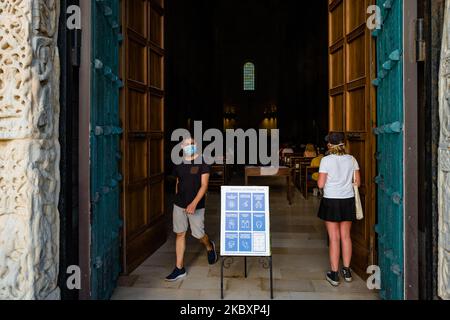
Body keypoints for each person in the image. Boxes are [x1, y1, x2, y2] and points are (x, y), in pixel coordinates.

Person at [166, 137, 218, 282]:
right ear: (182, 146)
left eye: (192, 144)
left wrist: (194, 203)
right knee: (180, 234)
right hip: (179, 204)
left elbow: (204, 185)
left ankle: (209, 246)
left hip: (197, 205)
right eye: (187, 144)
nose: (190, 146)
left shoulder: (203, 161)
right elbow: (178, 181)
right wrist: (178, 198)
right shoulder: (178, 163)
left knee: (198, 234)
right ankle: (179, 268)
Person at [317, 132, 361, 287]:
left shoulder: (326, 160)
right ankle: (347, 271)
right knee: (346, 236)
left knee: (334, 238)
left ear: (329, 144)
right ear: (343, 143)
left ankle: (334, 274)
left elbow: (321, 185)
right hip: (347, 200)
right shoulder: (352, 159)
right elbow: (358, 182)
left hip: (331, 200)